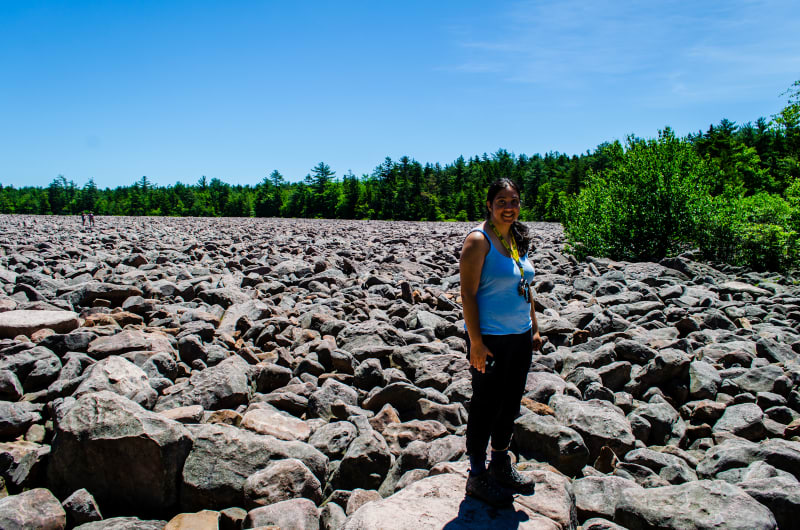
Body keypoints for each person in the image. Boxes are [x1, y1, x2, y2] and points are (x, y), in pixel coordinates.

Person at [459, 178, 542, 507]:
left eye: (514, 201)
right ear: (490, 205)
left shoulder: (516, 236)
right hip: (491, 338)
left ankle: (500, 464)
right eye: (502, 202)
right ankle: (477, 475)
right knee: (484, 405)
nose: (509, 208)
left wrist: (534, 327)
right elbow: (467, 294)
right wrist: (475, 343)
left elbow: (525, 285)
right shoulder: (479, 241)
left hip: (519, 336)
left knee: (510, 403)